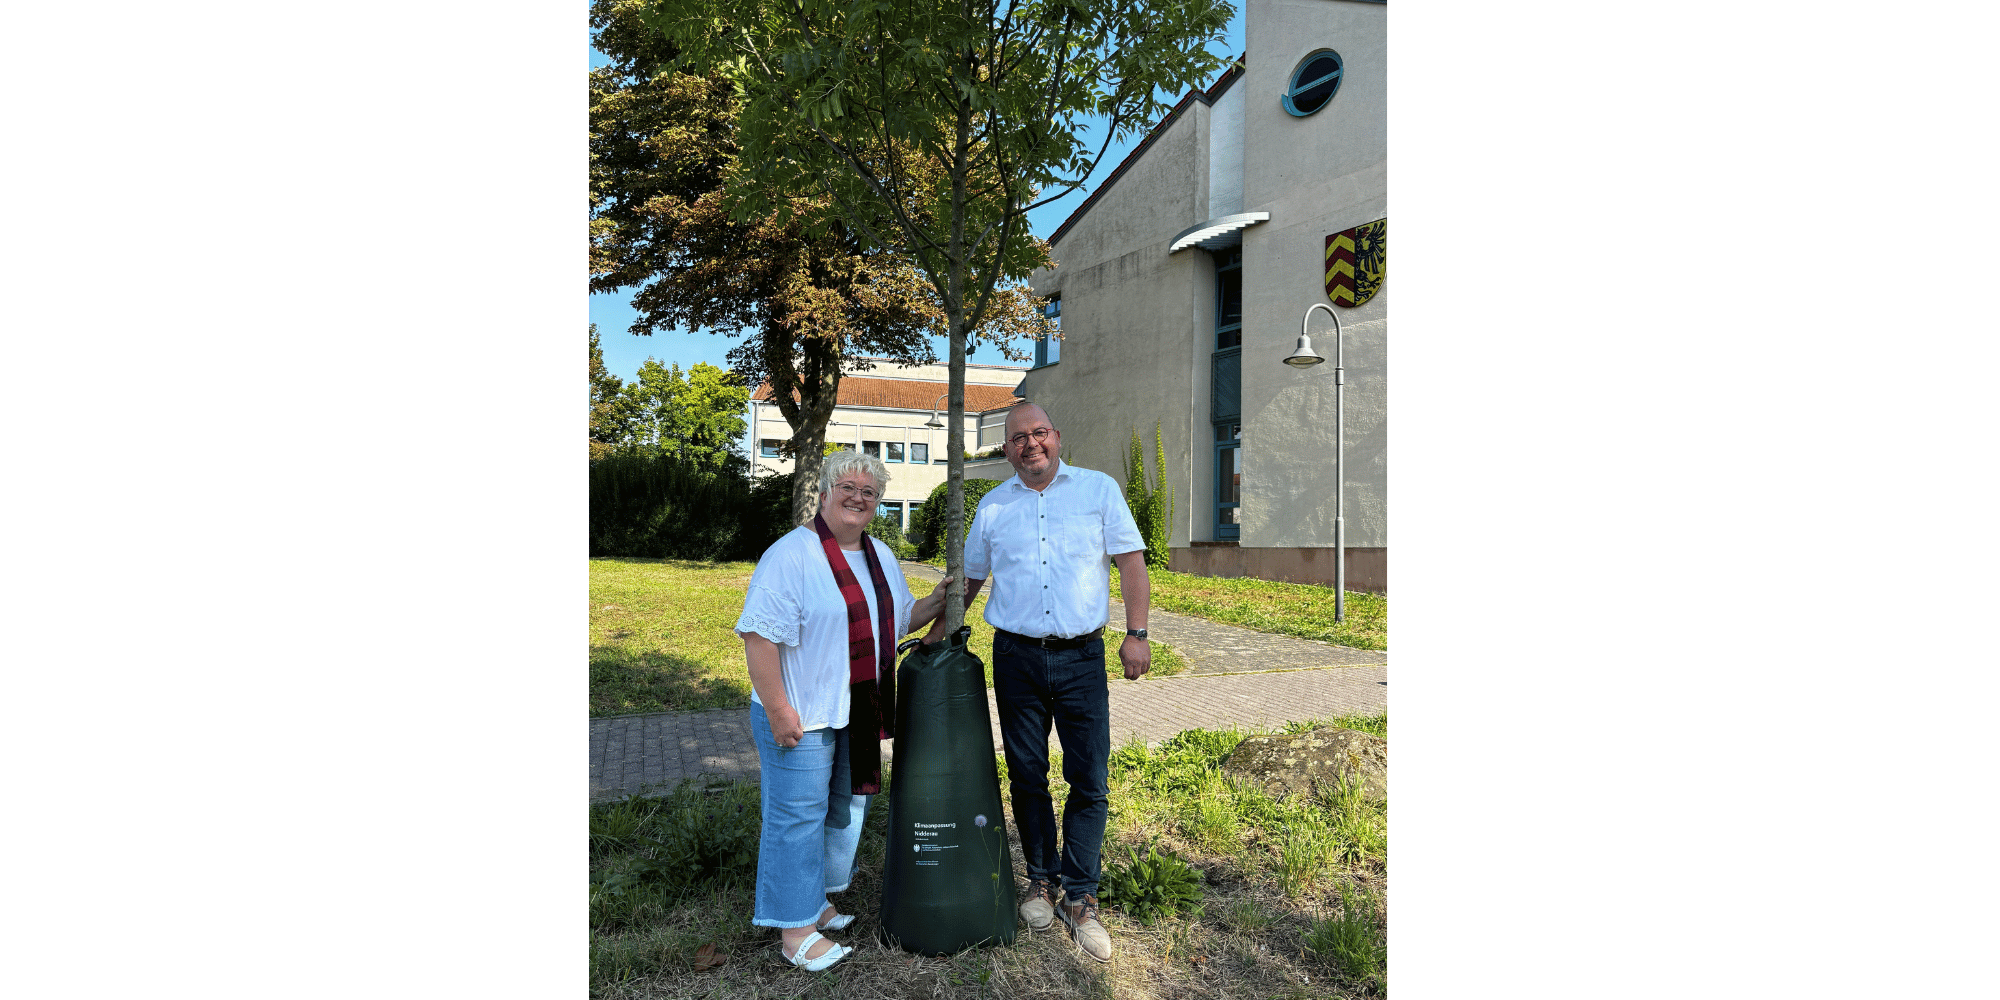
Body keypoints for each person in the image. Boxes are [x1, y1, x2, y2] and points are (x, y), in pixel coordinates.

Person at [928, 402, 1150, 962]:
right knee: (1027, 774)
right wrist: (936, 634)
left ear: (1057, 436)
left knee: (1089, 777)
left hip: (1081, 659)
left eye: (1039, 433)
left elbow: (1131, 563)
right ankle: (1040, 881)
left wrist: (1138, 632)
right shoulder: (994, 506)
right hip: (1016, 659)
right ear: (1006, 448)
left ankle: (1081, 895)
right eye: (1018, 437)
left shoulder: (1097, 490)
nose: (1031, 444)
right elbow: (971, 578)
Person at [735, 450, 952, 970]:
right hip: (802, 714)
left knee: (837, 811)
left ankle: (813, 902)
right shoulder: (792, 555)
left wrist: (944, 598)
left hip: (853, 710)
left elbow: (899, 620)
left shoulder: (878, 555)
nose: (858, 497)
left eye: (869, 492)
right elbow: (759, 637)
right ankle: (795, 932)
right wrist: (778, 708)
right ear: (826, 492)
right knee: (796, 819)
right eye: (848, 487)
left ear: (878, 503)